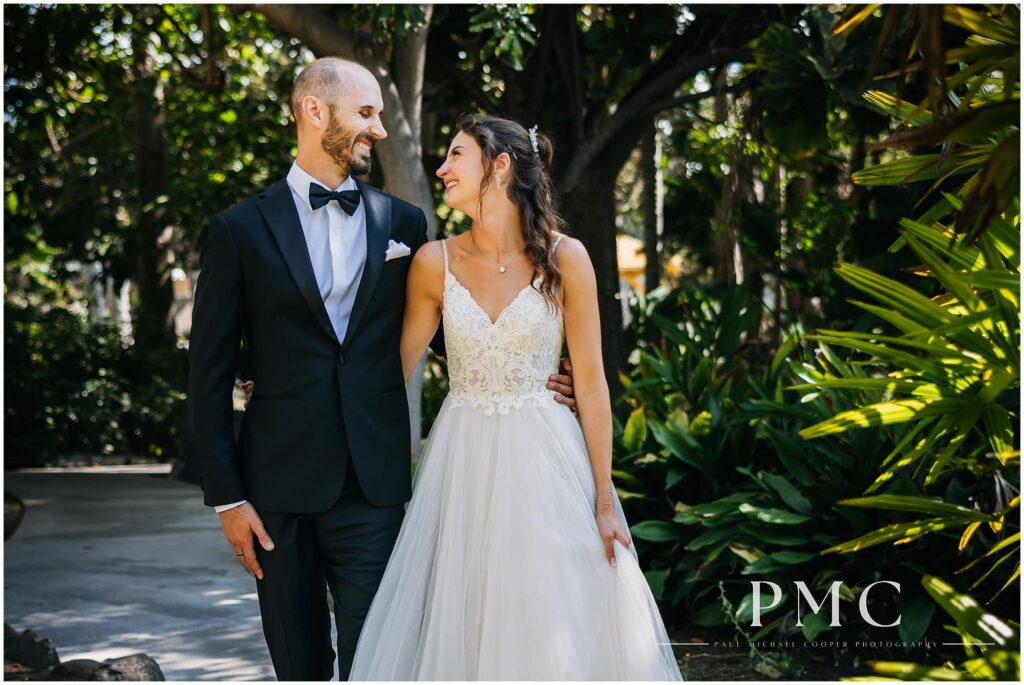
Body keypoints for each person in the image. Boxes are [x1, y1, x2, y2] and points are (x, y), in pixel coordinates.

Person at [187, 57, 579, 680]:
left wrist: (541, 371)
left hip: (372, 485)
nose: (380, 129)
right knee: (299, 664)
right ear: (316, 112)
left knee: (382, 661)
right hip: (275, 490)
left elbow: (448, 327)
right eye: (366, 113)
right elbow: (206, 376)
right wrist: (227, 498)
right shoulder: (238, 231)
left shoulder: (404, 224)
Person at [347, 114, 683, 680]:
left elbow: (594, 382)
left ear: (499, 166)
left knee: (552, 605)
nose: (442, 167)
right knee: (468, 610)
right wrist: (292, 380)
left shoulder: (566, 257)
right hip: (462, 462)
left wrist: (605, 498)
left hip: (547, 458)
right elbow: (386, 374)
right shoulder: (434, 263)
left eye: (457, 155)